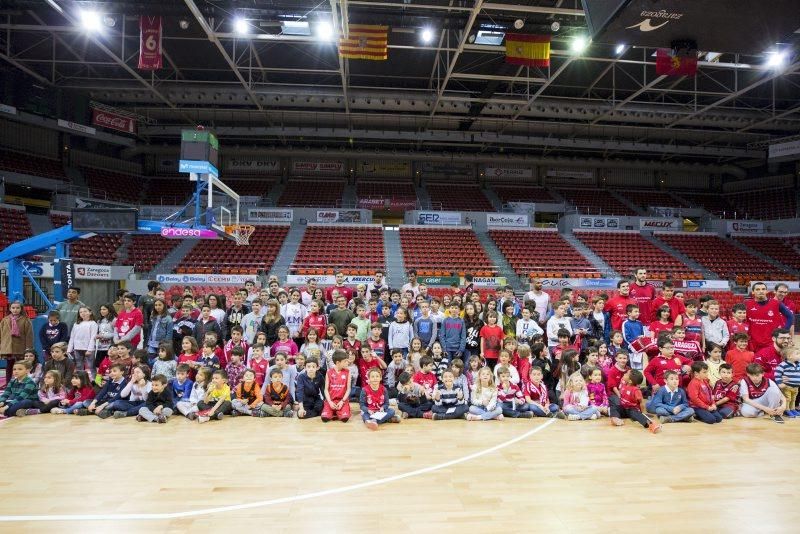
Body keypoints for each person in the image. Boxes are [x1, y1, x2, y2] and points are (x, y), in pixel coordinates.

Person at [745, 282, 793, 352]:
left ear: (766, 291)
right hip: (753, 342)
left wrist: (783, 331)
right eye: (758, 289)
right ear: (753, 292)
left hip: (770, 342)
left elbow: (790, 317)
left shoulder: (776, 303)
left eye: (763, 289)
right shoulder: (747, 304)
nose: (761, 291)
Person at [0, 300, 34, 384]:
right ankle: (8, 384)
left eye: (17, 308)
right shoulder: (5, 320)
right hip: (8, 347)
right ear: (10, 309)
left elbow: (29, 335)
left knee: (21, 366)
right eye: (13, 308)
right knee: (9, 366)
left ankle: (21, 382)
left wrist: (28, 348)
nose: (15, 310)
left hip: (21, 348)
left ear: (21, 309)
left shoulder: (25, 320)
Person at [322, 350, 351, 423]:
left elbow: (348, 389)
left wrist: (342, 401)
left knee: (345, 418)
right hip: (331, 400)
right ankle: (333, 411)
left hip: (342, 400)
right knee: (325, 418)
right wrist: (330, 402)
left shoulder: (348, 372)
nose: (347, 362)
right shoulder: (329, 372)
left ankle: (338, 411)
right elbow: (325, 390)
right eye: (345, 361)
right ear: (338, 362)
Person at [68, 307, 98, 379]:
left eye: (85, 311)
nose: (83, 313)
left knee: (91, 366)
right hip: (77, 348)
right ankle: (81, 380)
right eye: (81, 312)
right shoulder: (76, 324)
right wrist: (69, 349)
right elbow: (72, 337)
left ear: (90, 312)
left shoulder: (93, 323)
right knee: (79, 366)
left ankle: (94, 381)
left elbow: (93, 337)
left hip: (88, 349)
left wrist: (90, 350)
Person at [774, 347, 800, 418]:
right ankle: (786, 410)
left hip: (796, 387)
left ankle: (792, 409)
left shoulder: (798, 364)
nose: (799, 355)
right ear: (789, 356)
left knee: (793, 398)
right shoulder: (783, 365)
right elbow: (777, 374)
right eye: (797, 354)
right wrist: (780, 383)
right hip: (787, 386)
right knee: (787, 398)